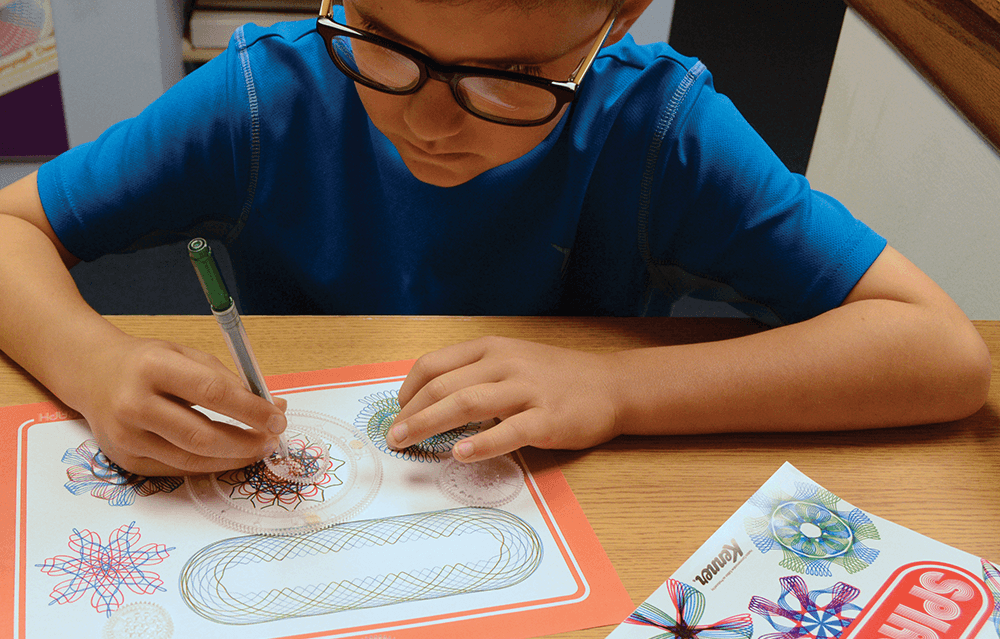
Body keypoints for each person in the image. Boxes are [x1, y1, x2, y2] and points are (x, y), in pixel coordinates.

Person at [0, 0, 990, 475]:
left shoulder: (658, 134)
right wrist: (92, 363)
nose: (433, 119)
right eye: (380, 42)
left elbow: (938, 352)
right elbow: (11, 229)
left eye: (511, 78)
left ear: (618, 16)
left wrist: (615, 388)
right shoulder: (265, 96)